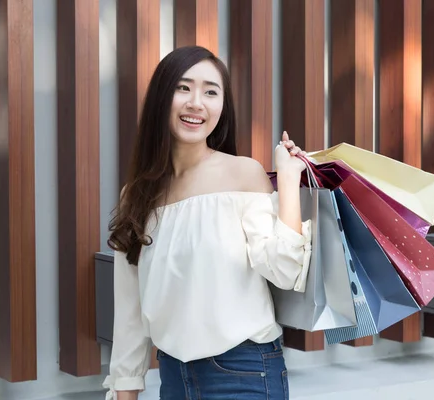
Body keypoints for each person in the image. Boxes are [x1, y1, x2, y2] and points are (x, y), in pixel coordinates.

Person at [103, 46, 312, 400]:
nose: (196, 102)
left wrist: (289, 182)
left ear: (221, 108)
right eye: (183, 87)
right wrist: (126, 389)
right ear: (160, 97)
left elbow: (285, 270)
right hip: (172, 375)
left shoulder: (242, 173)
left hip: (244, 372)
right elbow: (129, 311)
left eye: (210, 92)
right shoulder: (135, 195)